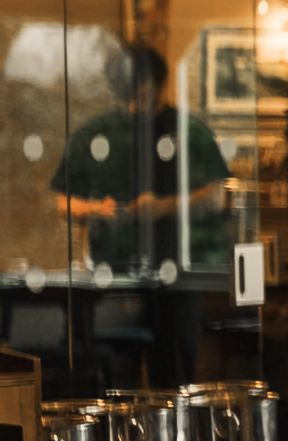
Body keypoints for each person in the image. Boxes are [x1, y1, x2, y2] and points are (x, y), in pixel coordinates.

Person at [50, 43, 232, 275]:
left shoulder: (191, 131)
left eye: (144, 86)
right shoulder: (93, 134)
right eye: (130, 87)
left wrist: (166, 206)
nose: (137, 95)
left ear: (159, 84)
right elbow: (64, 203)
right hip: (109, 268)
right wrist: (99, 208)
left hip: (180, 266)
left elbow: (217, 194)